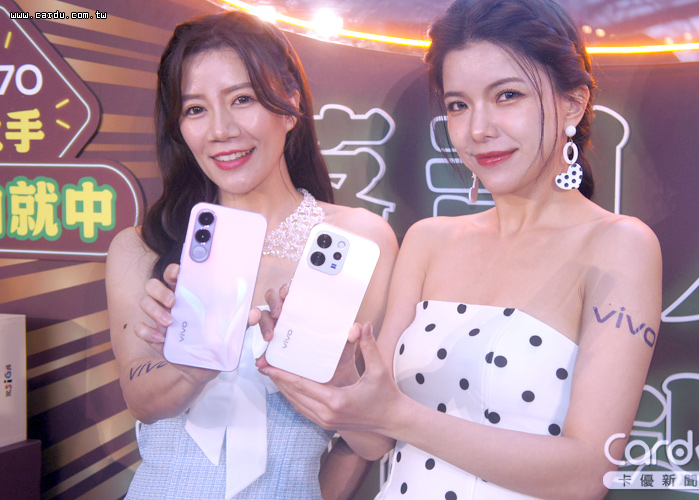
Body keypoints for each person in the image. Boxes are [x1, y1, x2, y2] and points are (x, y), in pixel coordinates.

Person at [257, 0, 662, 498]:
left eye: (507, 95)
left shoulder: (619, 246)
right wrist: (337, 375)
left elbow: (586, 476)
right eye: (457, 105)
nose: (478, 129)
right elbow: (374, 441)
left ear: (573, 104)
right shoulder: (429, 240)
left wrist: (399, 415)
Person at [105, 10, 398, 500]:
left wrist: (331, 375)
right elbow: (141, 401)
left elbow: (370, 442)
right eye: (195, 109)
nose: (220, 130)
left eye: (242, 99)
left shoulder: (357, 241)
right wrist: (193, 361)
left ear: (290, 103)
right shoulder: (143, 248)